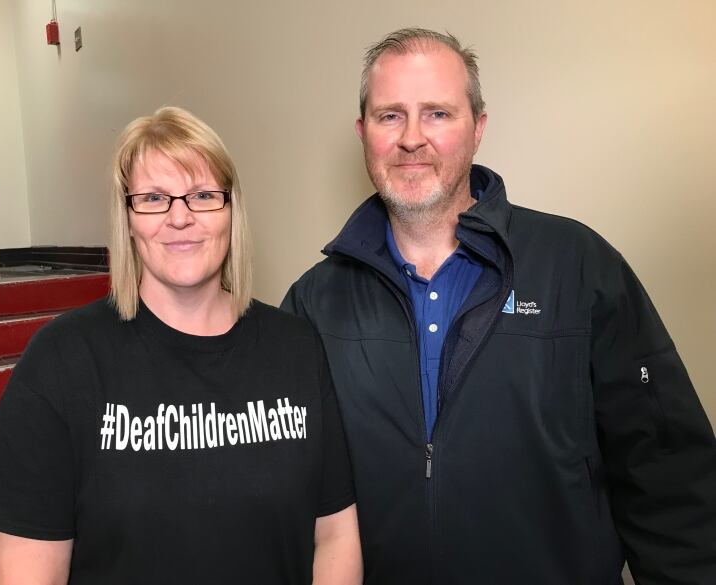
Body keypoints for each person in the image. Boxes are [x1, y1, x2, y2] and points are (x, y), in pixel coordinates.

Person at [282, 27, 716, 585]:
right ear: (363, 132)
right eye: (391, 116)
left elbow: (671, 479)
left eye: (437, 113)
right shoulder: (313, 303)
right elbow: (285, 498)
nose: (412, 138)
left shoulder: (578, 266)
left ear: (478, 128)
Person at [0, 106, 362, 585]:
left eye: (203, 195)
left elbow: (336, 535)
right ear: (128, 218)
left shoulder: (296, 346)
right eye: (153, 198)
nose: (179, 217)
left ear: (232, 211)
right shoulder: (63, 360)